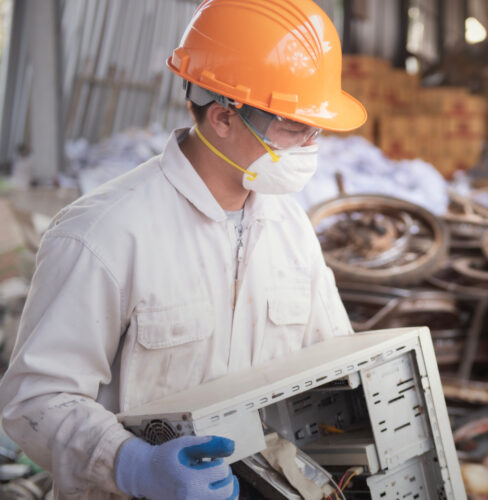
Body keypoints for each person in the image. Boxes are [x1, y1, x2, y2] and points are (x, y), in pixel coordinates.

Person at [0, 1, 366, 498]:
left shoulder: (290, 227)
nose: (310, 145)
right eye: (294, 127)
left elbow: (335, 367)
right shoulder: (104, 233)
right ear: (222, 118)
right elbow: (35, 400)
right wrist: (131, 463)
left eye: (315, 128)